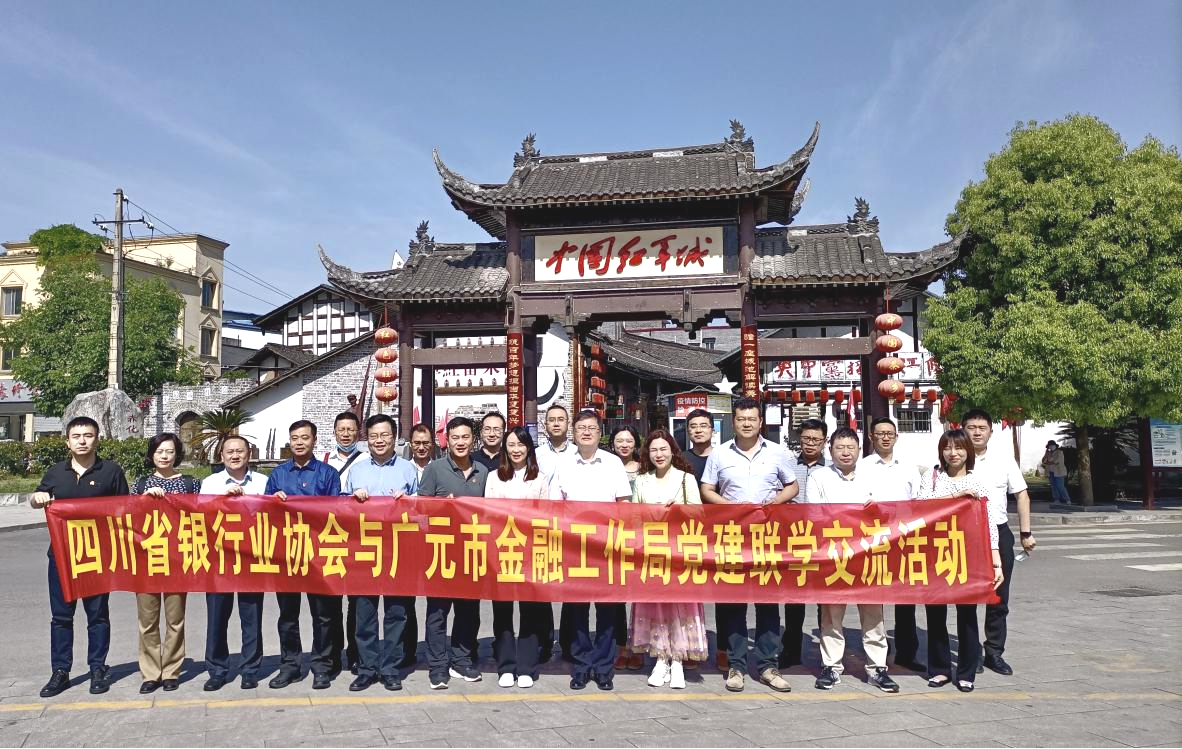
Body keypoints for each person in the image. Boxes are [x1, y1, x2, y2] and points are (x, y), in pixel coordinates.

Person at [700, 397, 797, 693]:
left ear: (760, 422)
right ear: (734, 421)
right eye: (741, 419)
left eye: (752, 419)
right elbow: (706, 489)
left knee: (768, 603)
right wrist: (729, 506)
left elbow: (792, 486)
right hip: (733, 537)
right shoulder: (719, 453)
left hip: (767, 537)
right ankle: (736, 666)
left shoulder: (777, 452)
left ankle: (768, 665)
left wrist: (775, 501)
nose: (746, 424)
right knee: (734, 604)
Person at [32, 416, 129, 698]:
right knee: (61, 616)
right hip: (62, 556)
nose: (82, 441)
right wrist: (37, 498)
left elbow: (125, 509)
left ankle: (98, 668)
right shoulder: (56, 472)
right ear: (68, 442)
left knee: (97, 615)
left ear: (97, 439)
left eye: (88, 435)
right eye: (76, 436)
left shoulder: (111, 471)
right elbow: (37, 497)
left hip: (97, 555)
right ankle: (60, 671)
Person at [805, 427, 899, 694]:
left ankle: (877, 668)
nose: (845, 452)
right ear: (830, 450)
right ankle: (831, 666)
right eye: (839, 447)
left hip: (868, 556)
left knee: (874, 615)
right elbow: (814, 515)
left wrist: (876, 511)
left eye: (850, 447)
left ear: (859, 450)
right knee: (831, 615)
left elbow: (889, 513)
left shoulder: (874, 477)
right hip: (833, 556)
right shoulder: (819, 477)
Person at [549, 409, 634, 691]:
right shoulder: (564, 465)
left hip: (606, 547)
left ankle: (604, 668)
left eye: (591, 428)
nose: (586, 432)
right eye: (581, 428)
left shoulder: (612, 463)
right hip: (574, 548)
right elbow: (555, 506)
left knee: (608, 610)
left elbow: (623, 503)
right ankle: (581, 666)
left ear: (600, 433)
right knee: (577, 611)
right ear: (574, 433)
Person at [919, 428, 1002, 693]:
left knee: (967, 615)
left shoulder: (978, 482)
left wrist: (996, 561)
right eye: (947, 448)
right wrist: (957, 497)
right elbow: (921, 505)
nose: (952, 453)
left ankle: (967, 671)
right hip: (935, 553)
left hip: (967, 556)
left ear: (968, 451)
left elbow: (989, 523)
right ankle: (939, 669)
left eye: (958, 448)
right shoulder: (933, 477)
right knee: (935, 614)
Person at [265, 420, 343, 690]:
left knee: (323, 615)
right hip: (286, 553)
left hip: (319, 554)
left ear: (314, 440)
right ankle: (290, 666)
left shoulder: (328, 474)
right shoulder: (278, 475)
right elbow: (264, 512)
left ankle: (322, 666)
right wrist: (274, 502)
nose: (299, 442)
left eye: (305, 438)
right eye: (295, 438)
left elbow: (336, 513)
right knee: (288, 615)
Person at [345, 414, 421, 692]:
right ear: (367, 439)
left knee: (396, 614)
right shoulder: (356, 471)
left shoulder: (408, 470)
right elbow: (339, 512)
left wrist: (409, 503)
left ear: (395, 437)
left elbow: (421, 514)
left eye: (385, 435)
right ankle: (366, 668)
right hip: (364, 552)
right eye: (374, 436)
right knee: (364, 614)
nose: (379, 440)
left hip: (398, 552)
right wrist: (353, 500)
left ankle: (390, 668)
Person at [629, 430, 707, 690]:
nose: (659, 454)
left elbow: (699, 514)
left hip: (680, 552)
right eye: (653, 450)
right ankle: (661, 658)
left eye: (663, 449)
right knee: (656, 606)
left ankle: (678, 660)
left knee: (680, 606)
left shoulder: (685, 478)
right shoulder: (642, 480)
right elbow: (634, 518)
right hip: (652, 552)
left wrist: (680, 510)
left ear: (672, 451)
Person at [963, 409, 1036, 676]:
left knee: (998, 596)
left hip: (998, 532)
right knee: (967, 597)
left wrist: (1025, 533)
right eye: (971, 427)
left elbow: (1022, 495)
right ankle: (971, 653)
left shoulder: (1003, 459)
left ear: (991, 432)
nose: (977, 432)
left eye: (982, 428)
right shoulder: (955, 459)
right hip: (965, 536)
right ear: (963, 429)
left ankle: (994, 652)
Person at [419, 416, 490, 689]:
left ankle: (461, 661)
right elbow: (419, 514)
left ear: (474, 440)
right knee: (438, 614)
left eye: (465, 437)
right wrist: (439, 507)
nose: (460, 442)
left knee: (468, 612)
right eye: (455, 437)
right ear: (446, 440)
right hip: (440, 553)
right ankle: (437, 666)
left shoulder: (483, 471)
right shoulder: (434, 470)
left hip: (471, 553)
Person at [131, 433, 201, 694]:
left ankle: (171, 670)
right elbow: (128, 518)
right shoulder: (141, 484)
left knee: (175, 619)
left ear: (177, 454)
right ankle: (150, 673)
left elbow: (202, 515)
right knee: (147, 620)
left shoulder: (191, 484)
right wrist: (144, 499)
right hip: (147, 560)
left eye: (169, 451)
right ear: (152, 455)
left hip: (177, 559)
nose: (164, 456)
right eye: (159, 451)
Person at [484, 426, 552, 688]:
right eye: (511, 444)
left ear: (529, 448)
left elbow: (546, 516)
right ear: (505, 448)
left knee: (530, 611)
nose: (516, 450)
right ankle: (506, 666)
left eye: (521, 444)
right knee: (502, 611)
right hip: (502, 551)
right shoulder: (494, 477)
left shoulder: (540, 479)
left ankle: (526, 666)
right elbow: (489, 514)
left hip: (531, 552)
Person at [199, 435, 269, 691]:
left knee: (251, 617)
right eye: (229, 452)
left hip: (252, 558)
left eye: (240, 451)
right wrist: (222, 500)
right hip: (220, 560)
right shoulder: (210, 483)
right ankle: (217, 669)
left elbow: (271, 516)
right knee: (217, 617)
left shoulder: (262, 482)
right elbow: (201, 516)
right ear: (221, 456)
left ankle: (250, 669)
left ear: (249, 454)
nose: (235, 455)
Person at [860, 417, 925, 673]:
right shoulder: (862, 467)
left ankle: (907, 653)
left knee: (905, 597)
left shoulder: (909, 468)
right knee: (874, 597)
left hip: (903, 539)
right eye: (880, 433)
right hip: (872, 539)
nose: (885, 437)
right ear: (871, 437)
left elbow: (919, 501)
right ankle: (876, 653)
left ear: (896, 437)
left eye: (890, 433)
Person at [780, 417, 828, 671]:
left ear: (824, 442)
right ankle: (791, 650)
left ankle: (827, 653)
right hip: (794, 540)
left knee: (824, 600)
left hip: (823, 542)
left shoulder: (832, 468)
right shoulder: (787, 466)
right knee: (793, 599)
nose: (810, 444)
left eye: (816, 440)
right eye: (806, 439)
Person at [322, 411, 367, 674]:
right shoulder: (323, 460)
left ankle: (355, 653)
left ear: (358, 433)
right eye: (342, 429)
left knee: (357, 602)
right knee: (330, 601)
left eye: (351, 429)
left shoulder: (366, 460)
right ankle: (333, 654)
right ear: (335, 432)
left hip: (357, 537)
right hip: (330, 536)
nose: (346, 434)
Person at [608, 424, 643, 671]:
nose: (624, 445)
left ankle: (639, 646)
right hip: (614, 536)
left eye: (629, 440)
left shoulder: (645, 469)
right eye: (619, 440)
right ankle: (621, 647)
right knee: (617, 596)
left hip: (641, 537)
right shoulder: (606, 467)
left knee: (640, 597)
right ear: (612, 444)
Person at [536, 403, 573, 478]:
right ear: (545, 425)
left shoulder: (577, 453)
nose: (556, 424)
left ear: (568, 424)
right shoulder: (536, 454)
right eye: (551, 420)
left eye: (561, 420)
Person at [683, 408, 715, 482]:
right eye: (693, 427)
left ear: (712, 431)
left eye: (703, 426)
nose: (698, 430)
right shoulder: (681, 460)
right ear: (688, 432)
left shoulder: (722, 458)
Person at [1043, 440, 1071, 506]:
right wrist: (1046, 454)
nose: (1051, 447)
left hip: (1059, 472)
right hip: (1051, 472)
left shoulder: (1059, 452)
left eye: (1052, 445)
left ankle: (1067, 499)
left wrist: (1048, 462)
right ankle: (1056, 499)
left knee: (1060, 486)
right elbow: (1043, 461)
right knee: (1053, 486)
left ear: (1055, 446)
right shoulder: (1048, 453)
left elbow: (1057, 461)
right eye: (1050, 446)